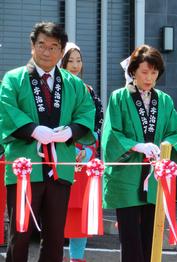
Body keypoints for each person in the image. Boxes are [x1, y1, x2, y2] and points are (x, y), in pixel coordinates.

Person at [0, 21, 95, 262]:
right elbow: (6, 109)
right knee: (20, 234)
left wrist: (70, 131)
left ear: (61, 51)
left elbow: (86, 113)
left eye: (54, 47)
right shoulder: (13, 79)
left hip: (60, 168)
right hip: (25, 168)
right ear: (32, 46)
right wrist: (33, 129)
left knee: (54, 236)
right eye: (41, 44)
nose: (46, 51)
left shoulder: (74, 84)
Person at [102, 44, 177, 262]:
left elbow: (176, 130)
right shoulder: (119, 97)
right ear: (133, 72)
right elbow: (112, 134)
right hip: (127, 177)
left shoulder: (164, 100)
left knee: (151, 235)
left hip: (155, 175)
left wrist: (166, 145)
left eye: (154, 72)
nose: (149, 78)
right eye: (144, 72)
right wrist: (137, 146)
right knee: (130, 238)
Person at [60, 43, 104, 262]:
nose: (76, 65)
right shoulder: (54, 90)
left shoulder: (88, 90)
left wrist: (87, 149)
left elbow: (97, 125)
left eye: (79, 60)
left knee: (81, 214)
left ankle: (76, 258)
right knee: (56, 212)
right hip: (58, 158)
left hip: (84, 160)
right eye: (71, 61)